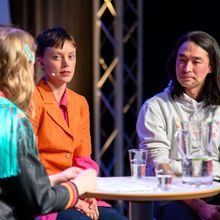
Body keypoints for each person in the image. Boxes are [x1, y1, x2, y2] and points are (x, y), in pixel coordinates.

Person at [27, 26, 128, 220]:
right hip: (47, 194)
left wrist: (87, 192)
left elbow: (83, 160)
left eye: (71, 56)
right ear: (41, 61)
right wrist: (73, 197)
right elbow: (28, 163)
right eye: (57, 57)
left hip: (78, 191)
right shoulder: (32, 99)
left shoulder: (79, 103)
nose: (66, 63)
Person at [0, 26, 98, 220]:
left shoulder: (79, 103)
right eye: (29, 64)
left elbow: (14, 180)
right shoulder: (11, 118)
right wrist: (77, 188)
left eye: (71, 56)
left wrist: (60, 180)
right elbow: (38, 199)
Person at [136, 30, 220, 220]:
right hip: (172, 193)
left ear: (211, 67)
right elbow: (160, 166)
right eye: (181, 60)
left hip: (215, 186)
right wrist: (200, 206)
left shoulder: (217, 109)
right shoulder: (155, 107)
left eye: (196, 62)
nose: (186, 68)